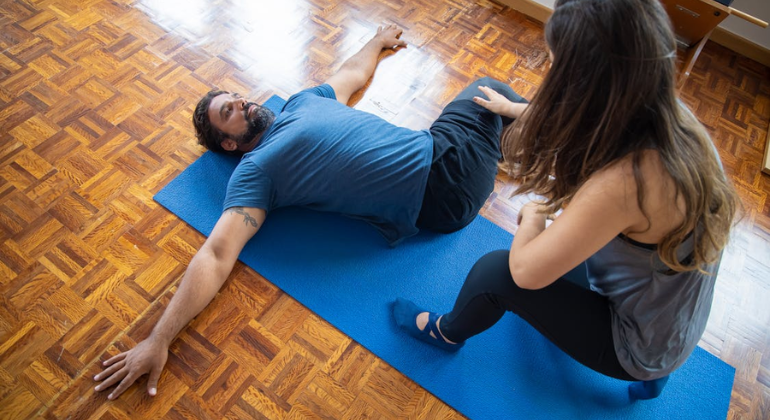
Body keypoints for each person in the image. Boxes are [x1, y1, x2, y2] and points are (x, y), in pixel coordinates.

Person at [93, 24, 528, 400]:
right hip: (442, 187)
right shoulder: (255, 172)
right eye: (230, 111)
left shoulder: (300, 103)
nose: (243, 103)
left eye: (237, 98)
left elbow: (350, 75)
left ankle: (507, 147)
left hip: (440, 153)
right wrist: (158, 338)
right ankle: (527, 147)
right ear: (228, 143)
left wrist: (376, 42)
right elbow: (216, 254)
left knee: (489, 97)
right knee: (490, 90)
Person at [393, 0, 739, 398]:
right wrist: (514, 109)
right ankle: (654, 381)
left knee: (497, 272)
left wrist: (537, 215)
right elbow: (583, 119)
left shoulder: (626, 182)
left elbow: (525, 272)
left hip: (633, 343)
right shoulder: (677, 123)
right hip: (674, 321)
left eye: (557, 65)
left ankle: (446, 333)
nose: (552, 73)